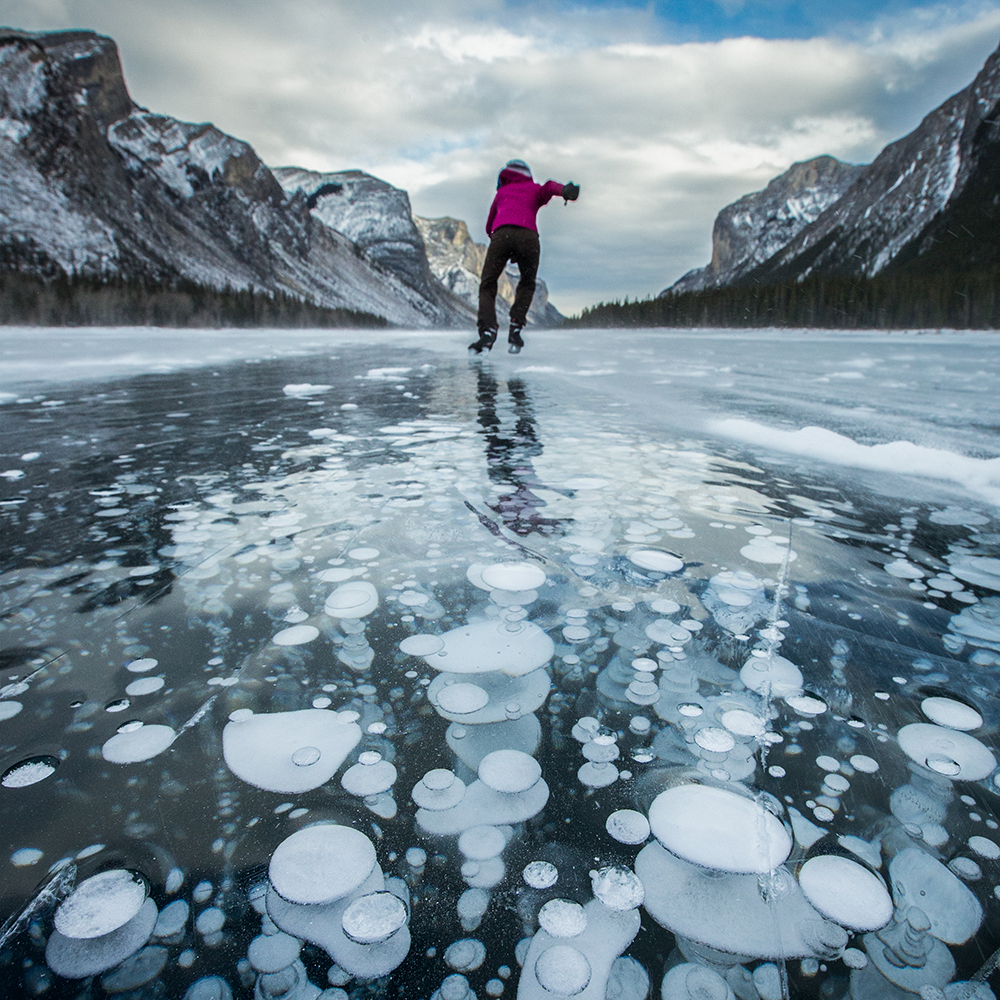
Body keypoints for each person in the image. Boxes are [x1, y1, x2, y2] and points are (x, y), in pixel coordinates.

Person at [469, 159, 579, 355]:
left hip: (501, 235)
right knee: (527, 283)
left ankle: (487, 331)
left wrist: (502, 243)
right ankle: (516, 329)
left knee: (488, 283)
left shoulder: (502, 193)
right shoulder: (534, 189)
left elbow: (489, 225)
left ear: (504, 177)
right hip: (529, 238)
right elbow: (550, 186)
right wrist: (564, 191)